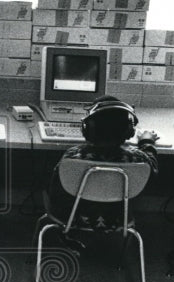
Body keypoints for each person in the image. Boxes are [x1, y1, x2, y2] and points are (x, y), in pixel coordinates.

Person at [46, 95, 159, 247]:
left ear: (87, 129)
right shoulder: (138, 158)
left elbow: (55, 189)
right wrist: (147, 142)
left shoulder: (72, 155)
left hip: (71, 218)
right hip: (120, 217)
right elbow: (153, 169)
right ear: (129, 131)